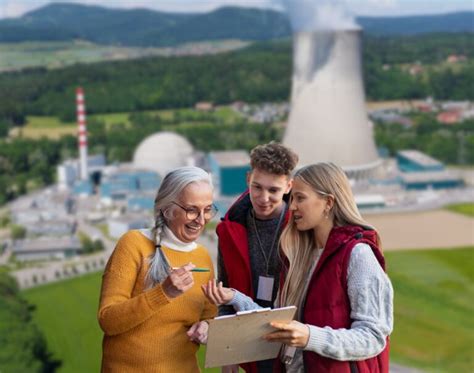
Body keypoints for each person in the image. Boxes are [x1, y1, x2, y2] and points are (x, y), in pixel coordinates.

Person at [204, 162, 394, 373]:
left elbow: (374, 337)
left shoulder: (358, 255)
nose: (292, 206)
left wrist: (310, 337)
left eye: (300, 198)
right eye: (292, 197)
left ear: (328, 202)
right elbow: (280, 323)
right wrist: (235, 298)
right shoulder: (298, 255)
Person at [98, 166, 218, 372]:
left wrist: (206, 328)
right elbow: (108, 320)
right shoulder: (133, 244)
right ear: (166, 209)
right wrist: (164, 293)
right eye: (192, 210)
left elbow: (209, 316)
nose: (201, 220)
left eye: (207, 209)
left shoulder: (203, 257)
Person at [216, 142, 298, 373]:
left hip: (295, 345)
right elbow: (225, 292)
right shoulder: (230, 230)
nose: (264, 198)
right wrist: (228, 352)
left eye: (273, 190)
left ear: (289, 186)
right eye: (257, 187)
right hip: (251, 346)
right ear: (248, 179)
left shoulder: (302, 227)